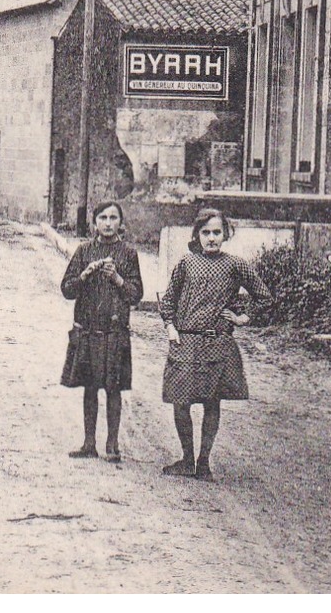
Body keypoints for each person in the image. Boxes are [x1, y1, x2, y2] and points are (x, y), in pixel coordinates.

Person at [158, 207, 272, 481]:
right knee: (180, 401)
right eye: (205, 232)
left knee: (212, 402)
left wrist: (243, 318)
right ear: (197, 235)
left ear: (225, 234)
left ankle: (203, 462)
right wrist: (171, 326)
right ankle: (186, 459)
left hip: (217, 343)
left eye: (216, 232)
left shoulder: (235, 265)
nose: (211, 238)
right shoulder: (186, 263)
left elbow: (265, 297)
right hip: (185, 341)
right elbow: (169, 300)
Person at [60, 201, 143, 463]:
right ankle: (88, 443)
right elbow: (67, 289)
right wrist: (84, 275)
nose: (108, 223)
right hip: (88, 331)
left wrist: (117, 279)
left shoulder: (128, 253)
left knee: (113, 388)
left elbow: (136, 294)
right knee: (89, 387)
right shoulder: (84, 251)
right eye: (103, 218)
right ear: (94, 222)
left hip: (114, 332)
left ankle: (112, 444)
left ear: (121, 222)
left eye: (113, 218)